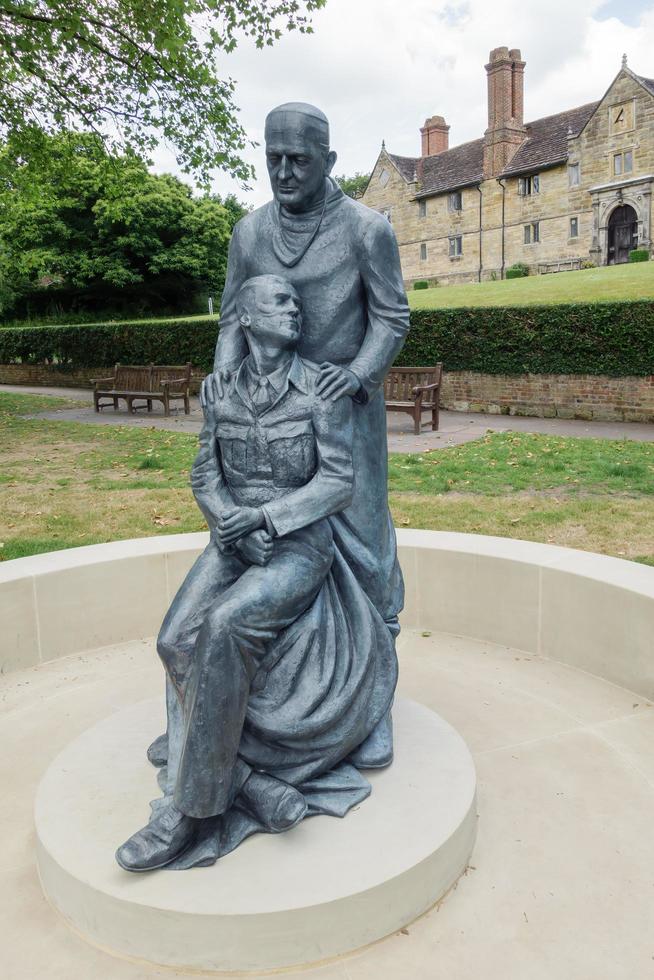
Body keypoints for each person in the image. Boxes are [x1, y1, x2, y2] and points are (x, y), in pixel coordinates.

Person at [116, 275, 398, 872]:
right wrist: (223, 519)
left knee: (223, 626)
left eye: (296, 301)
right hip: (234, 540)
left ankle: (192, 813)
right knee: (173, 640)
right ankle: (247, 782)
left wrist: (270, 518)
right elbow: (204, 472)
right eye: (280, 301)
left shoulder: (319, 388)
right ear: (246, 316)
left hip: (298, 546)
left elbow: (336, 481)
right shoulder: (218, 390)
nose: (295, 309)